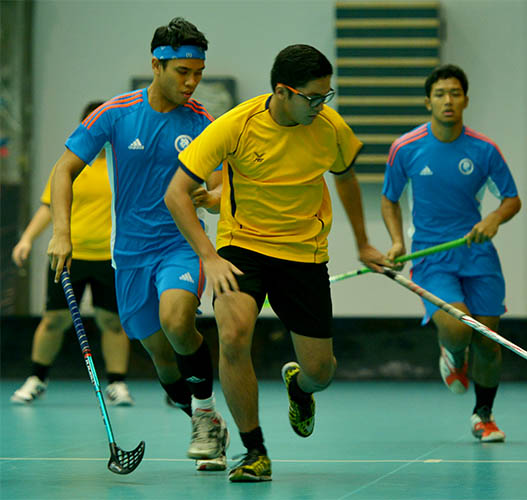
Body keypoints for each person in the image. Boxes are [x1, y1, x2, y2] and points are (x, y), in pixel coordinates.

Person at [164, 44, 388, 482]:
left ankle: (299, 390)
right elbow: (176, 194)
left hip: (304, 253)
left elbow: (345, 178)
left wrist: (364, 243)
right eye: (314, 97)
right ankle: (254, 451)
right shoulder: (235, 126)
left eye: (327, 96)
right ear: (284, 92)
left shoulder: (330, 128)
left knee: (321, 372)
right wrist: (209, 255)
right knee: (232, 334)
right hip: (241, 246)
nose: (322, 106)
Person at [46, 17, 228, 471]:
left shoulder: (205, 122)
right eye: (182, 71)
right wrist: (61, 233)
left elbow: (225, 190)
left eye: (198, 73)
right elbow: (62, 170)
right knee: (162, 359)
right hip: (128, 255)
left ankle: (204, 416)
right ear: (157, 64)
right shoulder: (115, 114)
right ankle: (204, 421)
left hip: (180, 245)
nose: (191, 82)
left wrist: (213, 197)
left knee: (177, 319)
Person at [380, 64, 521, 443]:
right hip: (430, 256)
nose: (448, 100)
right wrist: (396, 242)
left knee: (488, 341)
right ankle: (453, 354)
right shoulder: (406, 148)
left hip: (478, 254)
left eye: (455, 93)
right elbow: (389, 200)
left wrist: (493, 218)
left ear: (466, 100)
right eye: (440, 94)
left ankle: (484, 415)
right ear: (428, 101)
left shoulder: (484, 150)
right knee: (459, 326)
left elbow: (512, 199)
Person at [11, 102, 134, 407]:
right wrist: (27, 238)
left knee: (113, 323)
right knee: (54, 321)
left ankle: (117, 384)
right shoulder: (69, 164)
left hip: (111, 258)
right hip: (68, 256)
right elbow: (48, 207)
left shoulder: (124, 164)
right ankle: (37, 378)